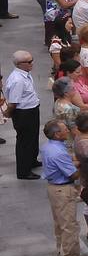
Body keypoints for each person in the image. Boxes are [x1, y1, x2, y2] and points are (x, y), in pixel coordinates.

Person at [40, 120, 87, 256]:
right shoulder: (58, 152)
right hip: (63, 190)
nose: (67, 130)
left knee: (60, 223)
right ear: (56, 134)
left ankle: (63, 251)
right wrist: (83, 165)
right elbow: (73, 175)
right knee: (69, 224)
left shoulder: (48, 147)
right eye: (64, 129)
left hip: (53, 188)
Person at [4, 49, 41, 178]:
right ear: (20, 64)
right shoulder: (17, 80)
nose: (32, 63)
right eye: (29, 62)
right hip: (24, 114)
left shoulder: (25, 73)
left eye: (32, 60)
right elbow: (13, 102)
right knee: (25, 141)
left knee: (33, 138)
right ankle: (24, 171)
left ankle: (32, 160)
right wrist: (8, 114)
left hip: (32, 109)